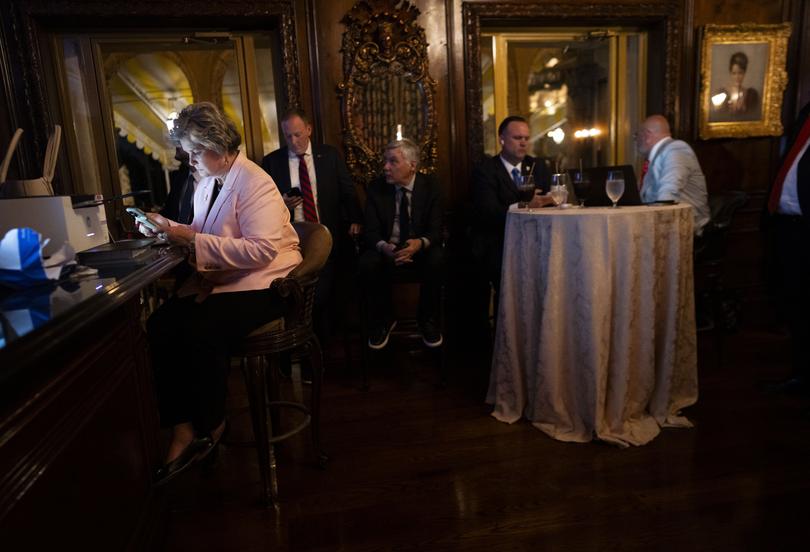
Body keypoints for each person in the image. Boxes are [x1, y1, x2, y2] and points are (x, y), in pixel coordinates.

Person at [140, 102, 302, 484]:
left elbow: (261, 250)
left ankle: (211, 424)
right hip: (233, 277)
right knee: (161, 325)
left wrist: (186, 237)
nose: (189, 160)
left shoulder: (254, 182)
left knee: (200, 329)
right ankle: (183, 424)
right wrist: (167, 227)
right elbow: (203, 232)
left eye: (195, 152)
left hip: (267, 282)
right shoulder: (208, 182)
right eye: (187, 152)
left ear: (218, 146)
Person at [261, 108, 362, 343]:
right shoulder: (272, 162)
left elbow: (347, 191)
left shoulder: (329, 156)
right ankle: (296, 345)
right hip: (289, 242)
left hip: (326, 237)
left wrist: (356, 219)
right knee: (290, 296)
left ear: (308, 130)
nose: (294, 141)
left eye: (298, 134)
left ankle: (317, 346)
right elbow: (262, 206)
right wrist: (282, 203)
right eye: (288, 137)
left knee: (323, 295)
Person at [359, 138, 444, 349]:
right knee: (367, 263)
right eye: (385, 161)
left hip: (420, 249)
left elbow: (436, 230)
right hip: (388, 248)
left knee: (438, 258)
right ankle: (384, 320)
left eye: (393, 162)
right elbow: (369, 232)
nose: (386, 167)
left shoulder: (431, 186)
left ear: (412, 165)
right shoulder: (376, 188)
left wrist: (419, 244)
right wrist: (383, 247)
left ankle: (426, 320)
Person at [470, 115, 553, 293]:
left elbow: (551, 200)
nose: (523, 143)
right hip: (499, 243)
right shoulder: (486, 170)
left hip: (537, 240)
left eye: (526, 138)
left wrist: (552, 199)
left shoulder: (538, 166)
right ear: (501, 139)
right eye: (517, 138)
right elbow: (489, 213)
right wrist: (526, 205)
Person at [763, 101, 810, 395]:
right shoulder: (805, 116)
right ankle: (801, 375)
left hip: (805, 229)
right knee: (795, 305)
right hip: (787, 226)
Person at [636, 114, 710, 235]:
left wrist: (651, 227)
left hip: (685, 227)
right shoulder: (653, 158)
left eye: (636, 136)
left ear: (646, 136)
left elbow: (668, 194)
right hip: (663, 220)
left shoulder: (676, 149)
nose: (636, 141)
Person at [711, 51, 761, 122]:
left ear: (744, 73)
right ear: (730, 73)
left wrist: (744, 108)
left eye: (740, 73)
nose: (737, 77)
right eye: (734, 73)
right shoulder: (722, 94)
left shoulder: (751, 94)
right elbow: (717, 116)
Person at [161, 146, 199, 225]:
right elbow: (168, 212)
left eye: (181, 141)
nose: (176, 145)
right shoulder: (180, 176)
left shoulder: (215, 181)